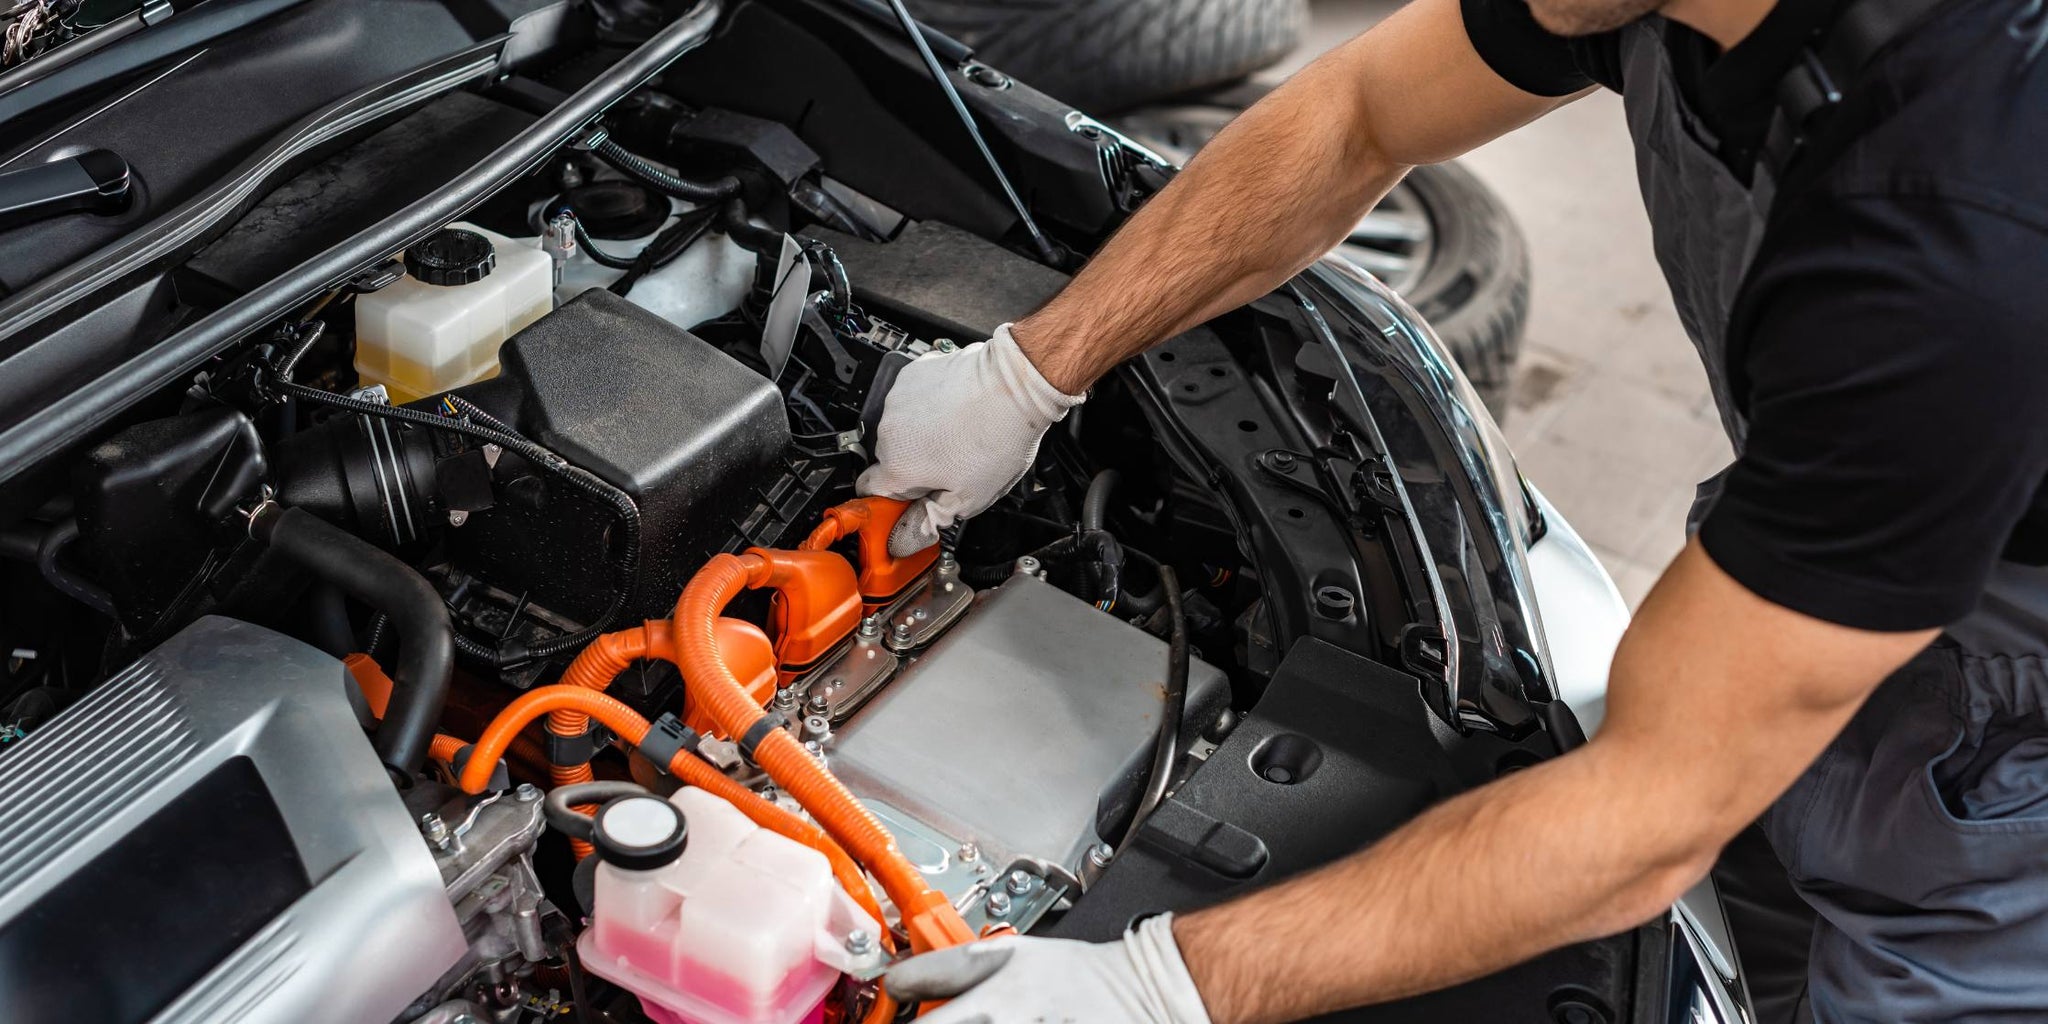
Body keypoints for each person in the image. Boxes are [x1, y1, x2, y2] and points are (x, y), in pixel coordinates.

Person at [852, 0, 2048, 1016]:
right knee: (1734, 946)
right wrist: (1029, 371)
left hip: (2012, 741)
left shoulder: (1954, 228)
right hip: (1853, 552)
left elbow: (1650, 811)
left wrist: (1157, 984)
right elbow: (1360, 110)